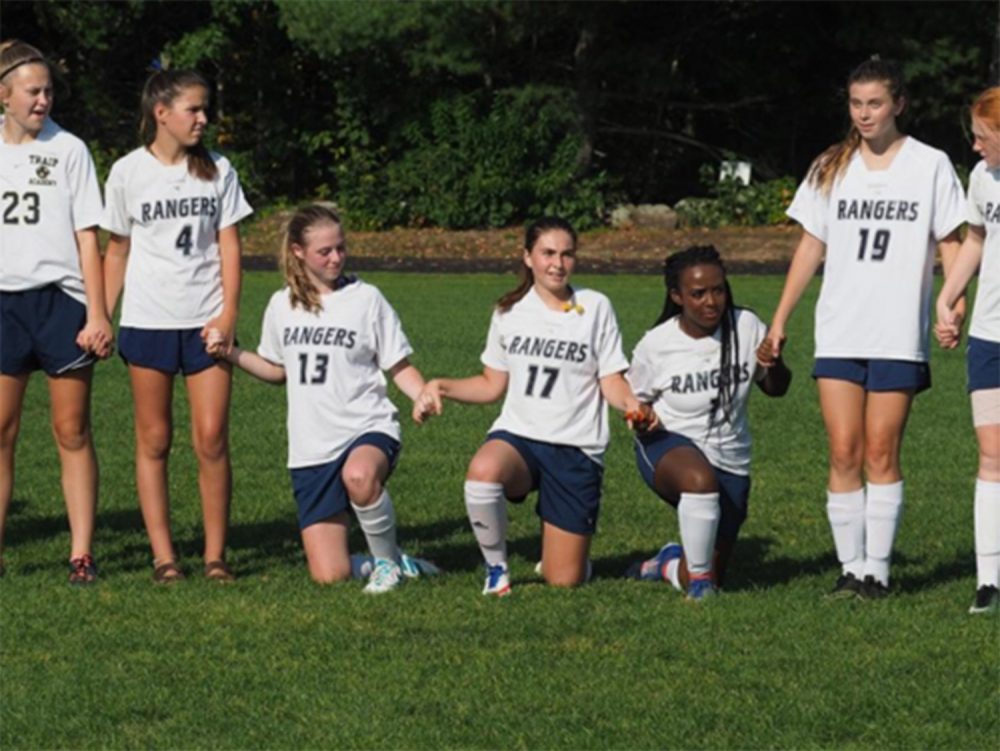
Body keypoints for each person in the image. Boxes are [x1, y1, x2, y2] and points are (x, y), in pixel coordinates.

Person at [763, 57, 965, 599]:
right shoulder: (832, 164)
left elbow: (952, 241)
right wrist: (780, 320)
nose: (864, 114)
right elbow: (811, 245)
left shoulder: (931, 164)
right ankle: (851, 569)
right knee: (843, 450)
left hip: (897, 332)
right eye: (856, 104)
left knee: (881, 451)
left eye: (875, 103)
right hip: (840, 330)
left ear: (898, 103)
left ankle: (878, 569)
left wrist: (952, 301)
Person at [210, 203, 437, 593]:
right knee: (328, 575)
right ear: (298, 252)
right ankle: (390, 560)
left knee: (359, 475)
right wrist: (229, 352)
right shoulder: (282, 305)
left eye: (341, 248)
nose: (336, 257)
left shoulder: (367, 299)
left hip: (366, 428)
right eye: (324, 251)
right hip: (311, 448)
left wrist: (421, 394)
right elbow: (277, 370)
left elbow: (398, 364)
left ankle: (386, 565)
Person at [415, 216, 642, 596]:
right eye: (547, 253)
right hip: (519, 437)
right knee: (483, 470)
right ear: (527, 257)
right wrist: (439, 385)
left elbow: (612, 381)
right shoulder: (509, 311)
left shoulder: (596, 306)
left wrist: (632, 405)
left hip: (576, 447)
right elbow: (491, 385)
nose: (557, 263)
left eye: (567, 254)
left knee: (563, 579)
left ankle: (565, 554)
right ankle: (496, 570)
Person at [102, 69, 252, 584]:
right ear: (160, 112)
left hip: (206, 321)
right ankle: (164, 557)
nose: (204, 118)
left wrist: (228, 314)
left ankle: (215, 557)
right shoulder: (126, 172)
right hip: (147, 322)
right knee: (155, 439)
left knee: (211, 437)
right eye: (194, 109)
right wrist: (100, 314)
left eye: (205, 108)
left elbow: (229, 244)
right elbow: (117, 250)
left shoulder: (219, 170)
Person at [0, 40, 112, 584]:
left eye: (48, 90)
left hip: (60, 303)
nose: (43, 100)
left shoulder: (70, 150)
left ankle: (81, 553)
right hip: (4, 304)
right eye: (32, 91)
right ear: (4, 95)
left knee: (71, 430)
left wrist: (98, 314)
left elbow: (88, 238)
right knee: (1, 429)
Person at [624, 246, 791, 599]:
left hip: (731, 459)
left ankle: (667, 564)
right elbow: (632, 401)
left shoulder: (745, 325)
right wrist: (640, 418)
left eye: (718, 289)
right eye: (698, 294)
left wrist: (773, 363)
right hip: (668, 445)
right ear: (677, 296)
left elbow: (777, 389)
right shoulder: (657, 345)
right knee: (699, 481)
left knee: (710, 570)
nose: (711, 301)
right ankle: (700, 591)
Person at [934, 87, 1000, 615]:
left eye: (982, 137)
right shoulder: (982, 179)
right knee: (993, 456)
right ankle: (989, 579)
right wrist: (949, 294)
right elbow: (975, 238)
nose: (976, 148)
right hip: (990, 340)